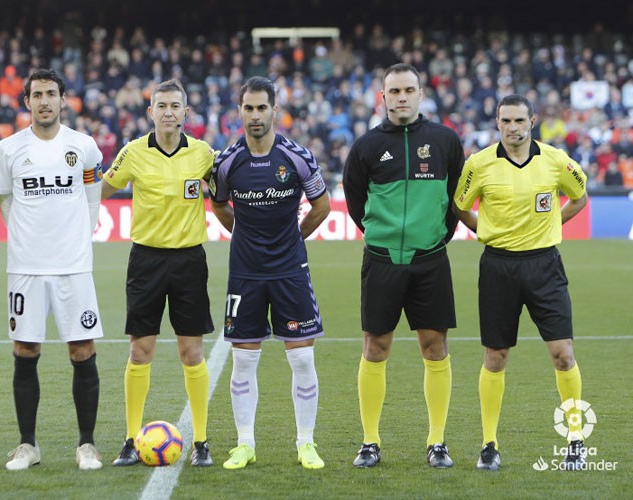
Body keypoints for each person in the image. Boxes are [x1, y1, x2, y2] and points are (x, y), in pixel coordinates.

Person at [453, 94, 588, 471]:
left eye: (519, 120)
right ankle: (489, 444)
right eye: (505, 121)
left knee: (563, 353)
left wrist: (552, 223)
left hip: (545, 266)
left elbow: (580, 196)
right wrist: (487, 230)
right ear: (497, 123)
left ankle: (575, 440)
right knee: (495, 357)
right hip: (498, 267)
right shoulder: (478, 164)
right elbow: (460, 205)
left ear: (532, 121)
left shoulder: (556, 160)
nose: (512, 127)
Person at [342, 63, 465, 469]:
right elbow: (357, 201)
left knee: (435, 346)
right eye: (393, 91)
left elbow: (456, 198)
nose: (401, 97)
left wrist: (436, 237)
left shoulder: (445, 141)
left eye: (408, 90)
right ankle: (370, 441)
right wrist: (382, 234)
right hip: (381, 261)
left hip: (430, 261)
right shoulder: (365, 147)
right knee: (376, 347)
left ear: (420, 93)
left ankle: (437, 442)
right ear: (382, 97)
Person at [209, 76, 330, 470]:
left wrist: (293, 237)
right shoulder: (227, 163)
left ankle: (306, 443)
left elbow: (322, 205)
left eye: (263, 108)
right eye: (249, 108)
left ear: (275, 111)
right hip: (245, 272)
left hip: (289, 270)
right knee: (244, 360)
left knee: (301, 361)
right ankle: (245, 444)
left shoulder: (297, 156)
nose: (256, 115)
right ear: (239, 111)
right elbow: (220, 206)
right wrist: (244, 234)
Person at [0, 69, 105, 471]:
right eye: (37, 94)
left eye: (51, 94)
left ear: (63, 100)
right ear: (27, 102)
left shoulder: (84, 146)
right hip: (25, 267)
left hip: (73, 266)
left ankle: (87, 446)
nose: (44, 101)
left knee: (82, 350)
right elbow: (5, 200)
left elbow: (93, 195)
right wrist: (29, 239)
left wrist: (78, 235)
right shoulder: (8, 149)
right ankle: (28, 446)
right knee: (25, 350)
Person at [101, 79, 215, 467]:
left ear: (186, 113)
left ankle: (201, 441)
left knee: (191, 351)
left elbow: (223, 192)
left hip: (188, 261)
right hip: (146, 260)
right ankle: (132, 440)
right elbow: (100, 190)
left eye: (175, 106)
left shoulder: (203, 154)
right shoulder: (132, 152)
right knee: (140, 350)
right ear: (150, 112)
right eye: (161, 105)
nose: (168, 112)